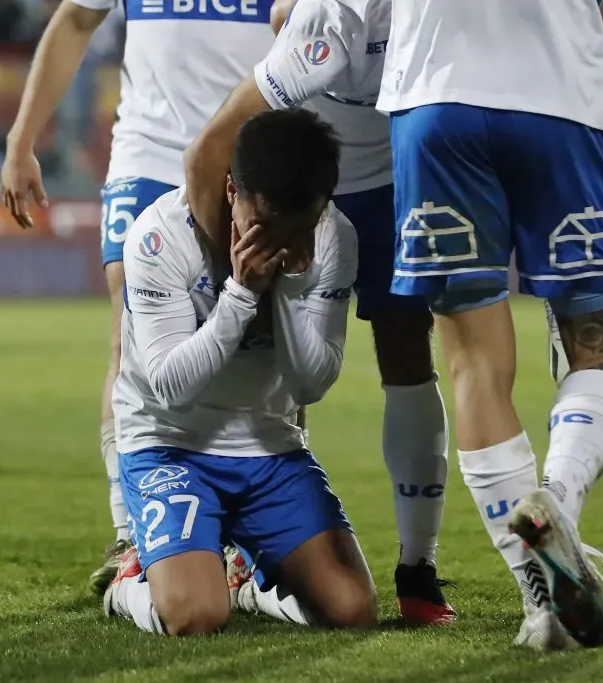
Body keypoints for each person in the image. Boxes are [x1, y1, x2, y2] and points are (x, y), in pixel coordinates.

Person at [377, 1, 603, 651]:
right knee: (602, 347)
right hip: (557, 98)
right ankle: (559, 500)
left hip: (434, 99)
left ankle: (541, 604)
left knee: (473, 366)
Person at [182, 0, 454, 626]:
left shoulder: (448, 18)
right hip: (307, 199)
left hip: (397, 186)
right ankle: (254, 551)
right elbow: (207, 153)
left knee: (409, 354)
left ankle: (419, 569)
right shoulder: (324, 27)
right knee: (279, 375)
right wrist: (233, 289)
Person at [0, 0, 277, 593]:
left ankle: (254, 537)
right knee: (130, 344)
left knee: (268, 337)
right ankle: (131, 530)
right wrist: (21, 139)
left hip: (250, 153)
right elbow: (75, 19)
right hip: (149, 156)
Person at [103, 108, 377, 636]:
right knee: (196, 615)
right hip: (169, 443)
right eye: (265, 226)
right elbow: (170, 388)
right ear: (233, 189)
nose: (279, 244)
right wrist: (243, 295)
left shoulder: (333, 237)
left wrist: (293, 289)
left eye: (299, 228)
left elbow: (310, 385)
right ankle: (128, 585)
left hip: (269, 446)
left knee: (352, 611)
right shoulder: (161, 236)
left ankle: (251, 580)